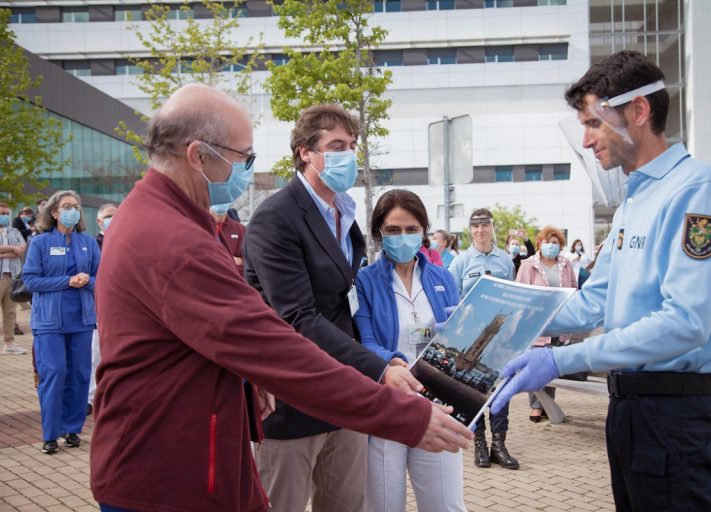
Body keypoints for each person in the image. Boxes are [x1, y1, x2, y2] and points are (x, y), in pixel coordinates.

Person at [90, 85, 472, 512]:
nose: (248, 170)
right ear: (198, 155)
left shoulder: (165, 219)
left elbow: (217, 334)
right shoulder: (172, 241)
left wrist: (248, 380)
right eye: (243, 157)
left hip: (190, 451)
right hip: (168, 474)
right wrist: (402, 411)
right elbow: (276, 337)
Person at [491, 50, 711, 510]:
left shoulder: (698, 190)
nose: (586, 141)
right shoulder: (632, 202)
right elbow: (593, 302)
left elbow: (685, 321)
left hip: (675, 411)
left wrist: (563, 360)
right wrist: (500, 312)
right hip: (628, 408)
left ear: (639, 111)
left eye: (593, 123)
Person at [243, 103, 436, 512]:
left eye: (351, 145)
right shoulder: (275, 218)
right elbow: (297, 318)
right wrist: (379, 369)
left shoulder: (345, 216)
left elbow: (342, 308)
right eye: (336, 145)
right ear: (305, 152)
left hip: (345, 399)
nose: (348, 155)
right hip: (293, 400)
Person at [354, 189, 466, 512]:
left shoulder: (443, 278)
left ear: (423, 231)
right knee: (384, 506)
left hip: (438, 404)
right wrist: (392, 361)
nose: (402, 237)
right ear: (378, 233)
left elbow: (457, 335)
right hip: (388, 404)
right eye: (393, 230)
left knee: (445, 505)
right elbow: (366, 341)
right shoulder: (364, 281)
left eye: (411, 229)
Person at [22, 191, 99, 454]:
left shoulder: (88, 243)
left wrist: (87, 281)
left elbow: (102, 280)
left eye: (76, 206)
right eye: (67, 206)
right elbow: (31, 281)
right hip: (50, 322)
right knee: (54, 374)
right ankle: (50, 433)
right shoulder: (40, 243)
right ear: (54, 212)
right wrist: (67, 281)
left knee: (79, 375)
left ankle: (72, 428)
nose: (72, 210)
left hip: (82, 320)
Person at [448, 208, 518, 470]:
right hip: (471, 335)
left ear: (492, 228)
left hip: (500, 335)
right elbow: (452, 301)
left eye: (484, 225)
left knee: (500, 389)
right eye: (475, 226)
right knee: (472, 391)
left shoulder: (506, 261)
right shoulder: (460, 263)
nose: (480, 231)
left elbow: (511, 296)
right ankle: (479, 443)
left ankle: (499, 444)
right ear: (470, 230)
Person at [515, 226, 577, 422]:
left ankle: (547, 406)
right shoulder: (528, 265)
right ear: (539, 243)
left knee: (551, 366)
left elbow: (574, 288)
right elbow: (522, 292)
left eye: (555, 242)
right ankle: (535, 405)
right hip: (537, 325)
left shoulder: (566, 264)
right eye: (547, 242)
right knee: (535, 366)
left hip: (560, 322)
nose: (551, 246)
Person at [87, 203, 118, 416]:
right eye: (107, 216)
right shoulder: (92, 245)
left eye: (114, 216)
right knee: (96, 356)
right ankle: (92, 398)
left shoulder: (125, 241)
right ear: (99, 221)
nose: (111, 220)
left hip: (122, 309)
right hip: (97, 309)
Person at [0, 202, 27, 355]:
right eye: (1, 213)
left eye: (5, 214)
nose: (4, 216)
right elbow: (16, 250)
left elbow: (22, 249)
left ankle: (9, 343)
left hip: (13, 276)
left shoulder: (14, 231)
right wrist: (11, 249)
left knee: (10, 312)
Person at [210, 202, 246, 276]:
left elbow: (249, 265)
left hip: (234, 284)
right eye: (218, 199)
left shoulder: (240, 230)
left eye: (224, 199)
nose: (221, 202)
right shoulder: (198, 226)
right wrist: (230, 260)